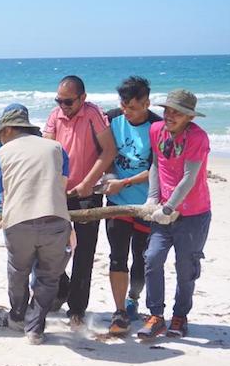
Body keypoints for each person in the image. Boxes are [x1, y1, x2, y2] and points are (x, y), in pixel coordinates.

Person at [0, 105, 72, 345]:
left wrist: (1, 210)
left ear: (7, 130)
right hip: (56, 219)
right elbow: (62, 186)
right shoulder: (57, 148)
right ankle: (35, 329)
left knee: (19, 271)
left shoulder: (0, 155)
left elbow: (2, 196)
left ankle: (17, 317)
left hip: (19, 221)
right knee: (48, 277)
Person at [44, 75, 117, 329]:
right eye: (59, 100)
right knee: (51, 248)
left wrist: (88, 183)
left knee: (84, 252)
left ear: (82, 98)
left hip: (88, 192)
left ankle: (77, 309)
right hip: (59, 193)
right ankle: (60, 290)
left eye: (68, 101)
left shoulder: (93, 114)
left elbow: (109, 151)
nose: (63, 106)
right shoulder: (55, 115)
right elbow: (46, 150)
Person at [137, 89, 211, 339]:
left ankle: (180, 316)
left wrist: (170, 207)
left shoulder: (198, 138)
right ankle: (156, 315)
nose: (169, 115)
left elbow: (189, 178)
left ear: (189, 117)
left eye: (177, 112)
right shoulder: (156, 129)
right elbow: (156, 165)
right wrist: (152, 198)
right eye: (167, 110)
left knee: (185, 267)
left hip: (193, 214)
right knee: (152, 258)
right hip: (163, 211)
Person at [104, 76, 161, 334]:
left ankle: (133, 299)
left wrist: (124, 182)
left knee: (141, 257)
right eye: (124, 106)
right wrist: (110, 177)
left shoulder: (158, 127)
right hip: (116, 202)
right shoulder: (112, 118)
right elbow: (103, 153)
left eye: (134, 107)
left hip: (146, 204)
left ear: (147, 102)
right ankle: (118, 311)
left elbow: (158, 169)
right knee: (117, 256)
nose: (127, 112)